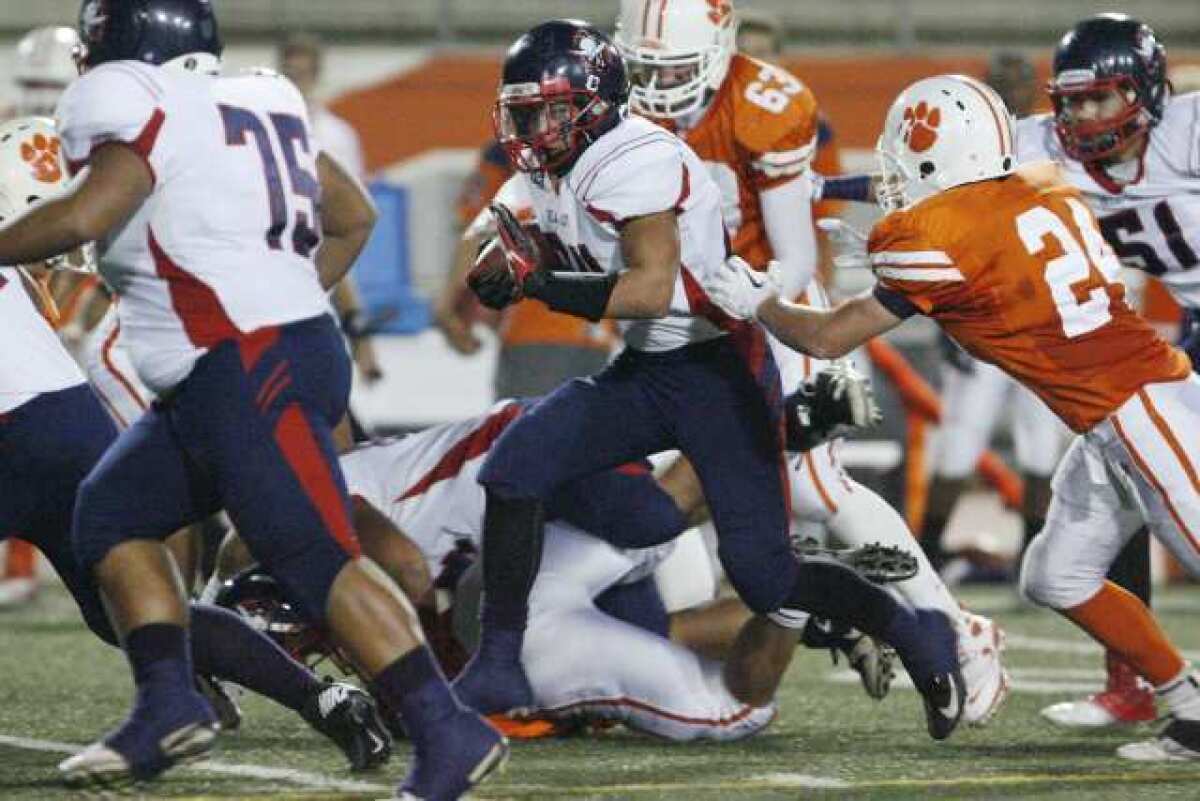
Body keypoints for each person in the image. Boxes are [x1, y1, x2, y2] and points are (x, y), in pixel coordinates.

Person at [0, 2, 505, 795]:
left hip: (243, 364)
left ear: (126, 50)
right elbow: (352, 216)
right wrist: (282, 296)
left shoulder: (142, 105)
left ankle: (447, 728)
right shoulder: (253, 100)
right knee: (110, 513)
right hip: (242, 361)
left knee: (313, 557)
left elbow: (91, 211)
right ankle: (168, 703)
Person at [455, 18, 966, 743]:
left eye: (544, 109)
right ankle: (499, 662)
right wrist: (491, 253)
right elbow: (497, 217)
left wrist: (534, 279)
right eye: (522, 110)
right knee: (514, 470)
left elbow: (651, 289)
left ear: (591, 104)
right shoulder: (555, 162)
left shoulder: (637, 158)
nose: (529, 126)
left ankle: (912, 628)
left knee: (765, 579)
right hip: (646, 370)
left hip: (718, 370)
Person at [706, 72, 1200, 762]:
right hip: (1112, 417)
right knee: (1055, 575)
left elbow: (825, 338)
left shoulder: (936, 233)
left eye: (907, 158)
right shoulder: (1042, 182)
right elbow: (954, 210)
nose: (894, 173)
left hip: (1148, 410)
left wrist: (760, 301)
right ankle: (1189, 704)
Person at [613, 0, 1008, 726]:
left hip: (765, 303)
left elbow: (794, 253)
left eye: (672, 64)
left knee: (819, 485)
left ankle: (956, 626)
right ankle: (817, 609)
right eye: (646, 64)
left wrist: (751, 298)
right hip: (681, 325)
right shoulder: (621, 109)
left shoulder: (768, 104)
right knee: (692, 494)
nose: (657, 81)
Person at [0, 115, 393, 774]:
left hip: (18, 428)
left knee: (127, 603)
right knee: (124, 612)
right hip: (68, 422)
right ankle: (322, 697)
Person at [1016, 14, 1199, 732]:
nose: (1087, 116)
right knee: (1123, 477)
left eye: (1105, 97)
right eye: (1074, 100)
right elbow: (944, 174)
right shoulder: (1039, 148)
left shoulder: (1187, 131)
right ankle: (1131, 681)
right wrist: (826, 186)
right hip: (1182, 332)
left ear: (1148, 91)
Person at [918, 50, 1067, 577]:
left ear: (1034, 89)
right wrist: (943, 317)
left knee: (1041, 449)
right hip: (981, 323)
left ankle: (1035, 556)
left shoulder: (1056, 142)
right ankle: (928, 553)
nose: (1008, 94)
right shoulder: (960, 145)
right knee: (958, 446)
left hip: (1044, 322)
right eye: (999, 85)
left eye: (1016, 84)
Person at [0, 25, 85, 610]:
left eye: (48, 85)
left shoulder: (101, 138)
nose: (37, 96)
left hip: (101, 309)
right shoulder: (15, 132)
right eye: (30, 83)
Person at [434, 142, 615, 399]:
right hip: (597, 326)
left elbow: (477, 229)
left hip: (534, 327)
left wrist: (448, 306)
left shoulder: (511, 145)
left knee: (526, 433)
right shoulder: (610, 138)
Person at [277, 31, 383, 389]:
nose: (295, 81)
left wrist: (359, 331)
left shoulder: (336, 136)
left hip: (315, 281)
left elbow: (347, 226)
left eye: (302, 73)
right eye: (289, 72)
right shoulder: (262, 130)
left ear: (316, 75)